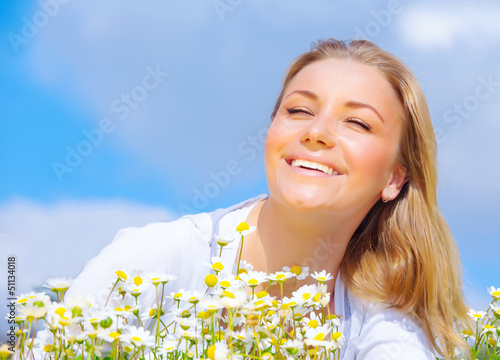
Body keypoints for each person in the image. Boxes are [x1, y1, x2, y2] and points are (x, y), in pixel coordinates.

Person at [64, 39, 470, 359]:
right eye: (298, 110)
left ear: (395, 178)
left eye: (357, 122)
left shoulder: (388, 327)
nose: (317, 131)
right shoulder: (148, 266)